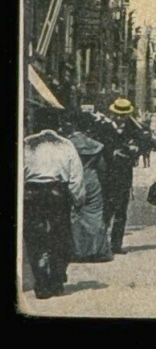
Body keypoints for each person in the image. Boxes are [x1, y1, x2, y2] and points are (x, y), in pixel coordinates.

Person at [24, 108, 86, 299]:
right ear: (57, 124)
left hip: (31, 194)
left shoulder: (27, 144)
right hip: (57, 194)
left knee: (35, 239)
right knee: (60, 237)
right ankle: (57, 281)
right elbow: (76, 176)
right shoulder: (65, 145)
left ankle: (41, 283)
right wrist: (78, 200)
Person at [102, 98, 146, 255]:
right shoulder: (105, 127)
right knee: (107, 210)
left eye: (124, 115)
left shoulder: (132, 128)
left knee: (121, 211)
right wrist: (112, 152)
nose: (120, 118)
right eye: (118, 115)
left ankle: (116, 244)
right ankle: (101, 244)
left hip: (124, 175)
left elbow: (144, 142)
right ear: (113, 113)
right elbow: (99, 146)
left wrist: (136, 149)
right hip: (107, 174)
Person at [68, 113, 113, 262]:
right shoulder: (94, 144)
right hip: (92, 180)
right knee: (95, 214)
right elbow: (103, 167)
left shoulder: (68, 143)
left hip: (73, 180)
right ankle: (96, 251)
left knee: (74, 214)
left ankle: (77, 250)